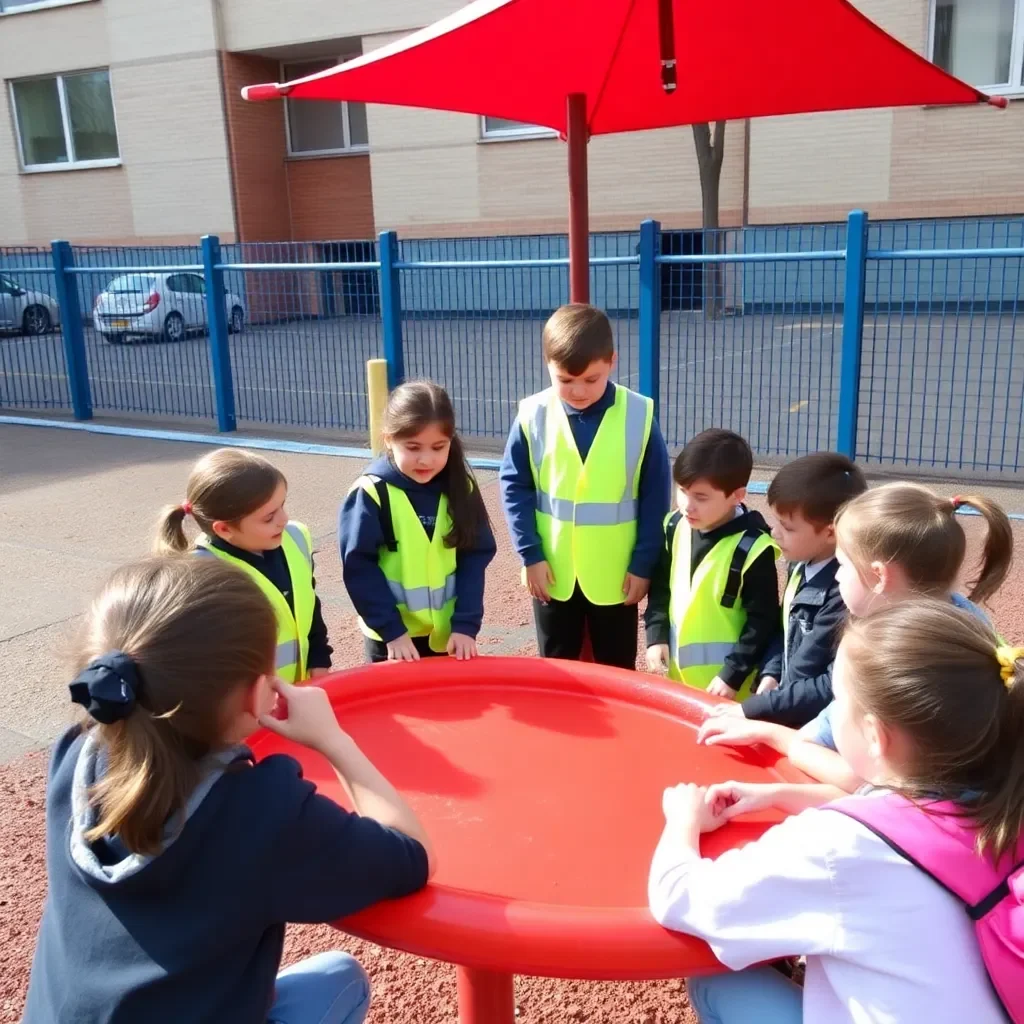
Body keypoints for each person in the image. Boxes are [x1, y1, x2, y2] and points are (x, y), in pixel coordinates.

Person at [23, 556, 434, 1024]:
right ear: (253, 694)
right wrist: (333, 740)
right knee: (340, 981)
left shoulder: (76, 752)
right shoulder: (260, 810)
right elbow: (413, 855)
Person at [649, 598, 1024, 1024]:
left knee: (717, 982)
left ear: (875, 735)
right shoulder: (1002, 792)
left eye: (837, 700)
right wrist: (775, 796)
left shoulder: (837, 847)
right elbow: (907, 827)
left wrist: (682, 821)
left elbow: (683, 900)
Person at [701, 481, 1013, 789]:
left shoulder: (900, 660)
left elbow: (868, 781)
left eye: (842, 563)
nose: (836, 575)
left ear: (878, 576)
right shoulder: (962, 621)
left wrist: (778, 737)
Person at [499, 303, 670, 669]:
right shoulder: (532, 415)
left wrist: (643, 565)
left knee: (616, 669)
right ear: (547, 364)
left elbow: (656, 497)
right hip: (552, 571)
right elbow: (514, 487)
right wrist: (530, 555)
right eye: (564, 380)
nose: (578, 390)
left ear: (612, 361)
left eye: (591, 379)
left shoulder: (638, 414)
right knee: (558, 670)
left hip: (616, 576)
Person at [340, 380, 496, 663]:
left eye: (439, 447)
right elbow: (359, 569)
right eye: (413, 447)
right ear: (388, 438)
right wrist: (392, 632)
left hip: (449, 637)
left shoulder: (462, 489)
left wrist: (466, 625)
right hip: (393, 640)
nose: (426, 459)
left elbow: (474, 560)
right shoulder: (372, 493)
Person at [155, 447, 331, 684]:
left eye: (283, 505)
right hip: (248, 711)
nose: (284, 519)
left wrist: (319, 659)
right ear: (224, 529)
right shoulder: (202, 576)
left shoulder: (295, 538)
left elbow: (308, 603)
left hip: (297, 690)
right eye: (269, 517)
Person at [645, 429, 780, 699]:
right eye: (682, 491)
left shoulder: (754, 549)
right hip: (680, 684)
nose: (687, 505)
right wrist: (656, 634)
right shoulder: (675, 525)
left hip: (728, 692)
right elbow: (661, 586)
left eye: (701, 497)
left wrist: (733, 674)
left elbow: (762, 623)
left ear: (737, 495)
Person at [736, 453, 867, 727]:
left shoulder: (842, 592)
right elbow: (784, 630)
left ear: (831, 533)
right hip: (790, 704)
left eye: (787, 527)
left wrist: (766, 705)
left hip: (815, 723)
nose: (774, 533)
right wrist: (771, 673)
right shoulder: (801, 564)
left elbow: (812, 671)